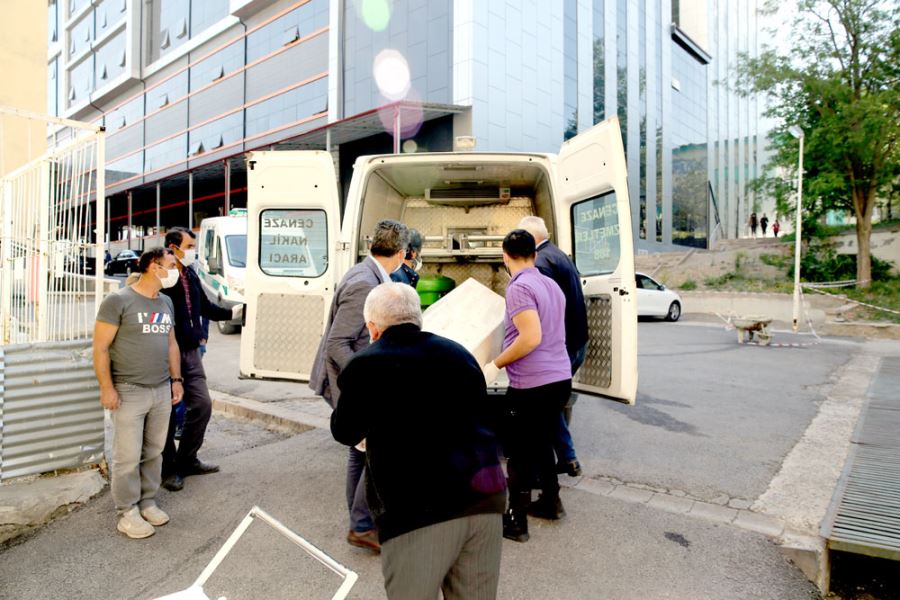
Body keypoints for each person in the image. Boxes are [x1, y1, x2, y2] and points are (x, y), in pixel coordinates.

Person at [331, 283, 506, 599]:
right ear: (418, 318)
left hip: (419, 511)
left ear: (373, 327)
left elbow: (345, 431)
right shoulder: (459, 354)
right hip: (485, 502)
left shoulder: (367, 364)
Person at [310, 220, 409, 553]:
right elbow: (337, 343)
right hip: (353, 384)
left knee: (360, 451)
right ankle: (362, 524)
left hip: (354, 381)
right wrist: (369, 376)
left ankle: (361, 522)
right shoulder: (365, 284)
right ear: (401, 253)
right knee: (379, 451)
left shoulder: (368, 274)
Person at [483, 230, 573, 543]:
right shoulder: (551, 285)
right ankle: (551, 503)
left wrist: (495, 364)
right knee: (543, 441)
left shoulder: (519, 287)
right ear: (535, 254)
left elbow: (531, 337)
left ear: (505, 256)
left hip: (533, 385)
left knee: (520, 451)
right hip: (559, 379)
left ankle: (516, 522)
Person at [93, 248, 184, 539]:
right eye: (171, 265)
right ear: (154, 267)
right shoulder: (118, 300)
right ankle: (127, 511)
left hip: (161, 389)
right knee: (127, 456)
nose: (176, 271)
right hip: (128, 390)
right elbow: (100, 348)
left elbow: (171, 343)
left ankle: (147, 501)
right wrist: (107, 388)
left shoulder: (166, 301)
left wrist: (176, 380)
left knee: (154, 451)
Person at [160, 227, 240, 492]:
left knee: (202, 405)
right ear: (173, 247)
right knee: (167, 413)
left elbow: (204, 306)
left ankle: (187, 459)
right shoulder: (163, 277)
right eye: (189, 246)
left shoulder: (190, 274)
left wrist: (233, 314)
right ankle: (169, 469)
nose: (193, 251)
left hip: (191, 352)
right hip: (166, 352)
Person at [517, 216, 586, 477]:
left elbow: (540, 313)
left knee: (541, 406)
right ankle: (567, 459)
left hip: (560, 346)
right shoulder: (558, 255)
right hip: (575, 342)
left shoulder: (541, 263)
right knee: (551, 406)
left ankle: (544, 469)